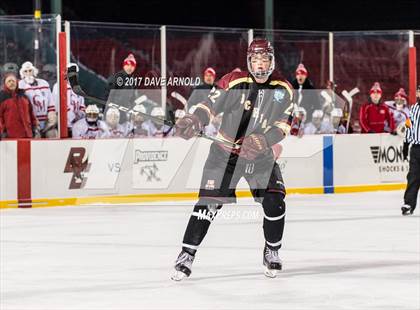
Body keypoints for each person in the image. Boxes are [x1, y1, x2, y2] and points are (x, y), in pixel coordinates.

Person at [171, 38, 294, 280]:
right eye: (256, 59)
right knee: (207, 204)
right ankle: (187, 254)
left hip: (260, 157)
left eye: (265, 59)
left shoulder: (283, 89)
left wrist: (263, 140)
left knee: (275, 202)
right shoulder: (234, 81)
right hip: (224, 155)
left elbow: (283, 126)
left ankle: (272, 250)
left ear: (272, 61)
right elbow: (209, 106)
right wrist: (195, 120)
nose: (260, 65)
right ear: (249, 61)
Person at [18, 61, 56, 136]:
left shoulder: (44, 83)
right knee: (36, 138)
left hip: (46, 121)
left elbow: (50, 102)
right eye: (25, 71)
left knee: (53, 134)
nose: (28, 73)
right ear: (23, 73)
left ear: (34, 71)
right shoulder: (20, 85)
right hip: (31, 122)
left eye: (30, 70)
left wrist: (51, 117)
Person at [0, 72, 39, 138]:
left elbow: (31, 113)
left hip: (27, 135)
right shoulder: (2, 97)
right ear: (5, 84)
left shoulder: (24, 97)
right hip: (10, 136)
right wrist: (2, 131)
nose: (11, 83)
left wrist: (34, 127)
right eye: (9, 81)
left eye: (13, 81)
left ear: (17, 82)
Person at [401, 85, 420, 215]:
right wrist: (406, 144)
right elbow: (409, 126)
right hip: (416, 149)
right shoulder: (413, 109)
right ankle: (409, 203)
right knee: (413, 177)